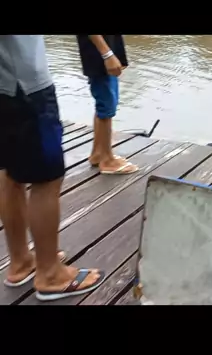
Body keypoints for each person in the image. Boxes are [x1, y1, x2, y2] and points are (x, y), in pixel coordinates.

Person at [0, 35, 105, 300]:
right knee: (46, 179)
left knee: (10, 173)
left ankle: (21, 261)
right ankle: (50, 274)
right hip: (24, 84)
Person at [76, 35, 138, 175]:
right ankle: (107, 160)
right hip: (100, 55)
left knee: (106, 102)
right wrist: (107, 55)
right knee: (106, 104)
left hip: (105, 52)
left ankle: (98, 153)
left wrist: (116, 53)